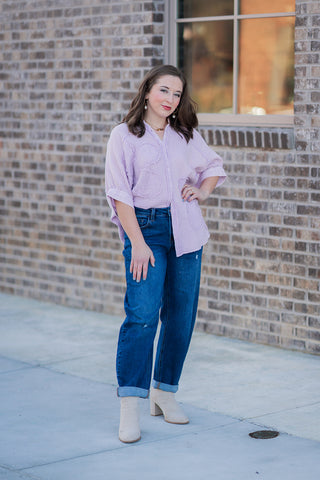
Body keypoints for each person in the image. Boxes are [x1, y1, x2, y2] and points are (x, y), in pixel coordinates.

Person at [105, 64, 226, 443]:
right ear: (146, 92)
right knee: (142, 316)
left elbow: (213, 166)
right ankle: (130, 405)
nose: (170, 100)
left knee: (180, 315)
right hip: (146, 230)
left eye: (177, 94)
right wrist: (137, 242)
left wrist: (202, 191)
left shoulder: (185, 135)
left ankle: (164, 392)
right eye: (164, 91)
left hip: (186, 231)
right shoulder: (124, 136)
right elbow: (119, 191)